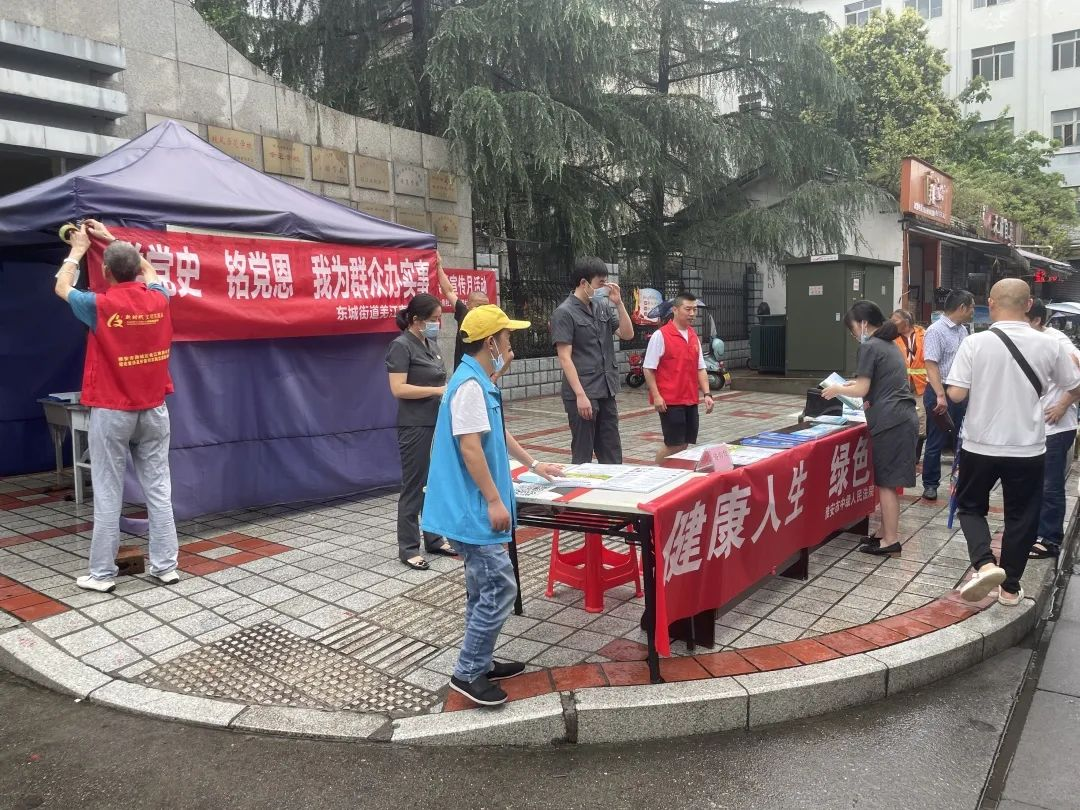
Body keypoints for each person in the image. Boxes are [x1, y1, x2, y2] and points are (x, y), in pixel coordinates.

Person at [421, 305, 563, 706]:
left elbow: (497, 433)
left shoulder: (479, 381)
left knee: (482, 588)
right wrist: (495, 501)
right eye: (506, 337)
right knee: (500, 588)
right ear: (491, 343)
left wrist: (534, 465)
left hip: (472, 508)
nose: (510, 344)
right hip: (471, 511)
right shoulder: (469, 387)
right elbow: (470, 449)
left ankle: (480, 661)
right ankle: (467, 673)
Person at [53, 220, 180, 593]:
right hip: (154, 410)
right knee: (159, 489)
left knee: (108, 491)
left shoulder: (99, 305)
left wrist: (78, 249)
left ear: (106, 272)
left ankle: (102, 574)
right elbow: (149, 271)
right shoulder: (159, 298)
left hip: (112, 411)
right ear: (135, 268)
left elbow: (62, 286)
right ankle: (165, 567)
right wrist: (112, 239)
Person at [946, 279, 1080, 606]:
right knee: (1022, 516)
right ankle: (1010, 589)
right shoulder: (1050, 344)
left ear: (990, 303)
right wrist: (1060, 402)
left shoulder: (975, 343)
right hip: (1028, 446)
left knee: (970, 507)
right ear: (1029, 304)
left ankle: (984, 565)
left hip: (980, 444)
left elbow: (957, 394)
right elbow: (1074, 385)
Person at [822, 300, 918, 558]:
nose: (854, 334)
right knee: (888, 481)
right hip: (901, 418)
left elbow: (862, 389)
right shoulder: (888, 344)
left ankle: (890, 540)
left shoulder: (870, 346)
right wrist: (850, 384)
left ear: (863, 324)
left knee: (886, 483)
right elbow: (875, 380)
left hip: (890, 421)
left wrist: (837, 388)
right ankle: (883, 533)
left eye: (853, 328)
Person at [385, 293, 456, 570]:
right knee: (414, 485)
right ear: (416, 320)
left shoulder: (431, 343)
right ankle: (408, 547)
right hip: (415, 425)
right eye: (434, 319)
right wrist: (437, 391)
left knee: (434, 482)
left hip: (437, 421)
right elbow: (398, 388)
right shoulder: (400, 346)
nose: (438, 324)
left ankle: (434, 538)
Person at [550, 257, 634, 464]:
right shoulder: (564, 313)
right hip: (583, 391)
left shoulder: (601, 306)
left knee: (612, 452)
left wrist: (619, 304)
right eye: (600, 283)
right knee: (583, 454)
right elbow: (565, 357)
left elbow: (627, 334)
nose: (604, 288)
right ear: (583, 283)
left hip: (606, 389)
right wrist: (580, 395)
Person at [1023, 299, 1079, 560]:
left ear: (1036, 320)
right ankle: (1037, 531)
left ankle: (1050, 539)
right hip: (1037, 426)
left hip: (1055, 427)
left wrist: (1062, 405)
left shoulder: (1057, 342)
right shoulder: (1033, 340)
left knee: (1050, 484)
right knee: (1036, 482)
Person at [642, 293, 715, 463]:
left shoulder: (693, 336)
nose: (692, 313)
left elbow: (700, 368)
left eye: (694, 309)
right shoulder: (661, 335)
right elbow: (648, 368)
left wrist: (707, 394)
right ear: (675, 310)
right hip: (670, 401)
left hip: (690, 399)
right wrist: (657, 396)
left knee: (684, 443)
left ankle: (671, 471)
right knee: (673, 444)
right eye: (687, 309)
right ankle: (654, 470)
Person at [921, 289, 975, 500]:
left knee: (960, 439)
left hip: (959, 392)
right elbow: (931, 364)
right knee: (936, 439)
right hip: (940, 391)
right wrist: (940, 395)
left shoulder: (962, 331)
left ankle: (958, 483)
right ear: (962, 307)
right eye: (971, 307)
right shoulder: (936, 331)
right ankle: (930, 484)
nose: (972, 311)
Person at [435, 253, 503, 381]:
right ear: (468, 305)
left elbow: (505, 352)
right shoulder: (464, 314)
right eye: (478, 305)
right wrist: (439, 266)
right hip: (464, 376)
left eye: (485, 306)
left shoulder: (493, 322)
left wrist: (495, 377)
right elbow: (448, 291)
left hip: (485, 378)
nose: (481, 309)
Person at [891, 309, 928, 455]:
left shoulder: (924, 335)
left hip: (921, 385)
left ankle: (916, 456)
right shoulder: (892, 338)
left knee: (920, 419)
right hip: (900, 385)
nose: (892, 323)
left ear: (906, 322)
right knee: (901, 418)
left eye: (895, 320)